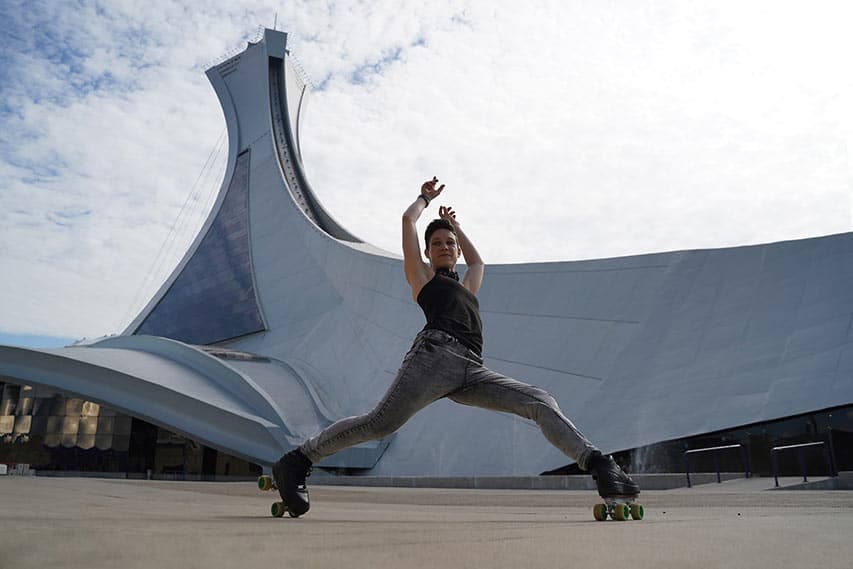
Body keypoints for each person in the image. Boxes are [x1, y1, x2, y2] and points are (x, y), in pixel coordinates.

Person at [272, 176, 639, 517]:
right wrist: (425, 200)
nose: (445, 247)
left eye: (450, 243)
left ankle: (599, 464)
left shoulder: (467, 287)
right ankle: (298, 460)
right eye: (438, 244)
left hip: (472, 370)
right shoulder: (423, 278)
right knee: (380, 423)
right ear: (428, 253)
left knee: (538, 400)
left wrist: (457, 226)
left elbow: (477, 261)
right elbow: (407, 221)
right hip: (434, 357)